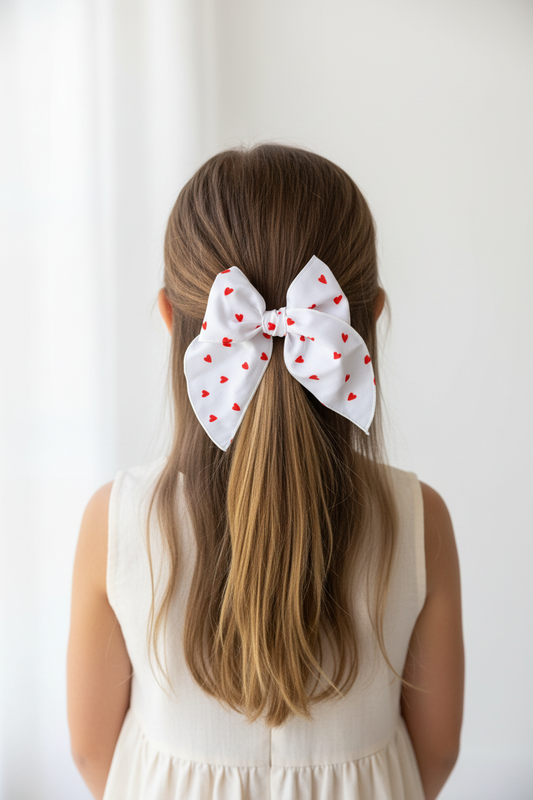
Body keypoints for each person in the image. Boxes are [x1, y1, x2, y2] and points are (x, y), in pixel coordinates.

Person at [67, 143, 465, 800]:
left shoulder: (114, 521)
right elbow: (438, 750)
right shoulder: (420, 519)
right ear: (367, 320)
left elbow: (91, 754)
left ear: (172, 319)